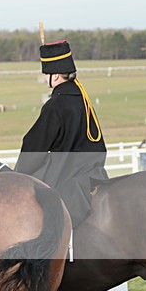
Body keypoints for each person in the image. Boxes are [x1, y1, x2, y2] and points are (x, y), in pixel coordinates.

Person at [14, 40, 107, 227]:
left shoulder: (56, 104)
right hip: (93, 172)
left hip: (67, 175)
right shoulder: (82, 98)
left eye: (45, 74)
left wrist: (17, 174)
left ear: (55, 76)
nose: (43, 79)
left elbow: (34, 145)